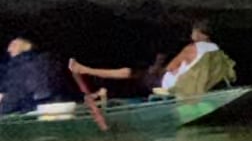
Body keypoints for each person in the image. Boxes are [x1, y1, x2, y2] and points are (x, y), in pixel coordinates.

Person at [71, 22, 233, 98]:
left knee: (134, 73)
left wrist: (156, 68)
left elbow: (170, 68)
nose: (192, 34)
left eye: (194, 31)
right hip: (203, 84)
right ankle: (102, 89)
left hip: (174, 85)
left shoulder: (191, 48)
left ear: (199, 34)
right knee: (146, 74)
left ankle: (85, 70)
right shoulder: (217, 50)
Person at [0, 38, 67, 115]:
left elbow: (26, 92)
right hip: (26, 110)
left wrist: (5, 101)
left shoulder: (37, 64)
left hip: (38, 112)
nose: (9, 49)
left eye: (14, 45)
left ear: (28, 45)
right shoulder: (13, 66)